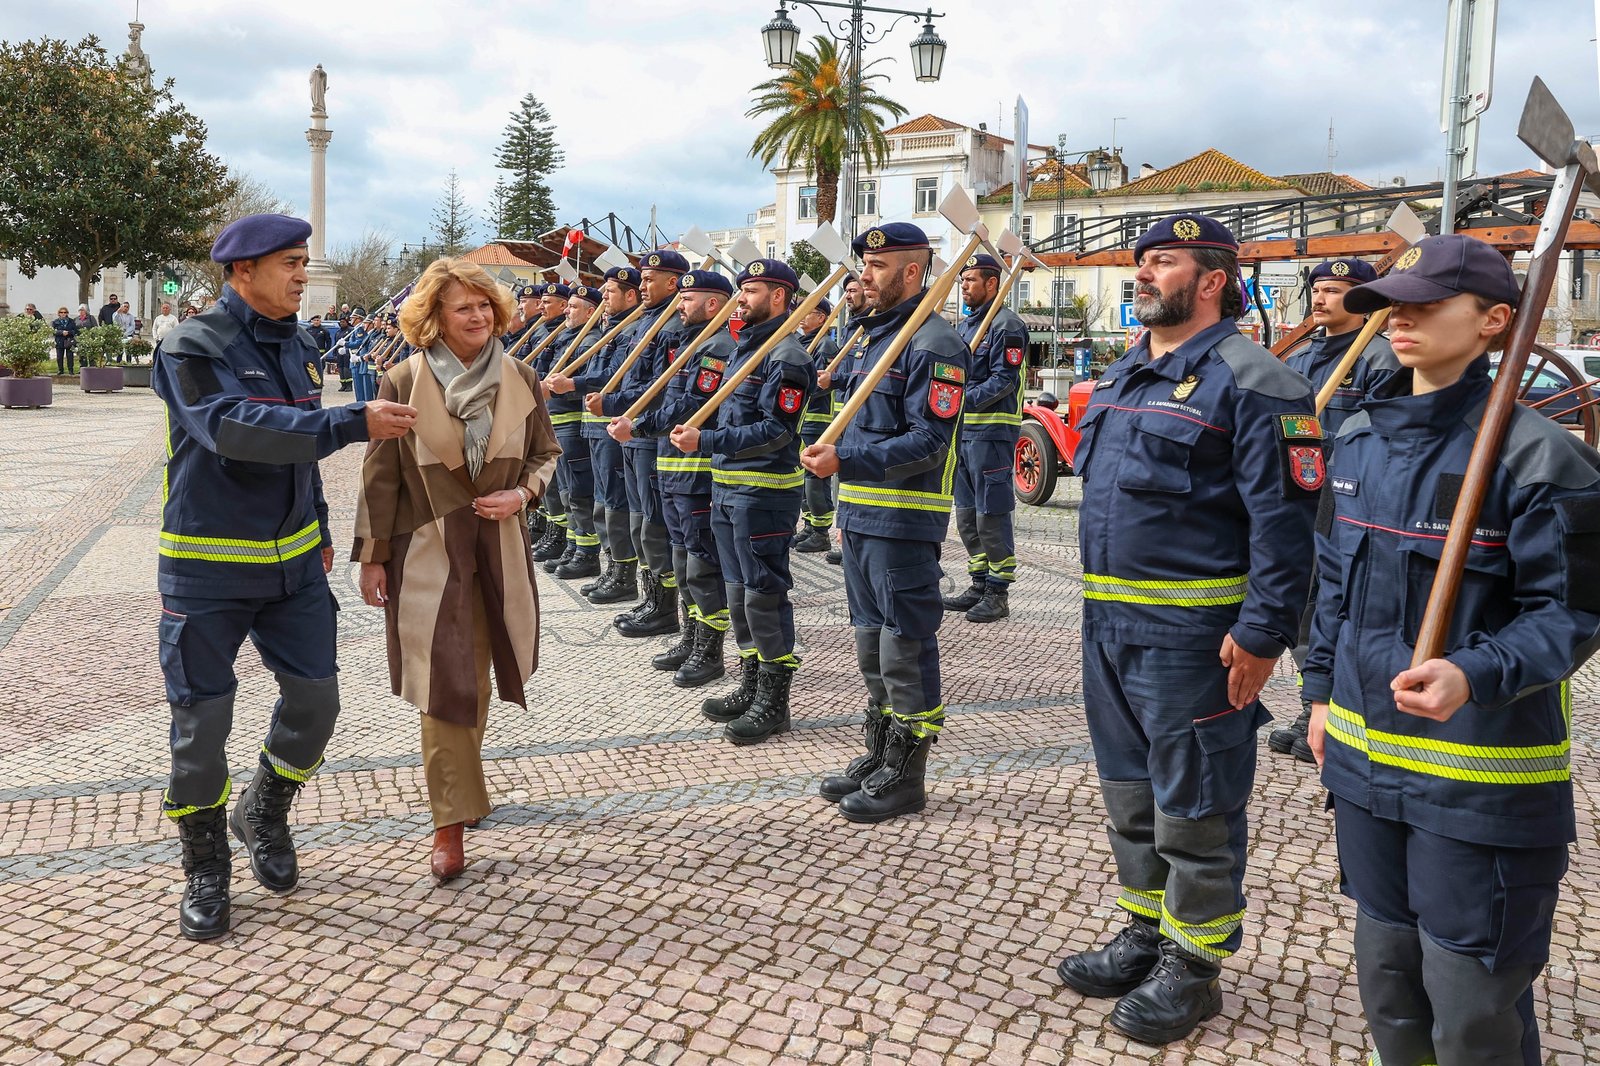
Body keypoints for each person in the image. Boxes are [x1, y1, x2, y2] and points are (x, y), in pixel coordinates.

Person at [1302, 234, 1600, 1066]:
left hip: (1478, 783)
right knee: (1389, 990)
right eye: (1396, 299)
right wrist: (1319, 694)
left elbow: (1571, 615)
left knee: (1472, 1012)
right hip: (1365, 773)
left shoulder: (1541, 457)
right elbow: (1330, 585)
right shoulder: (1356, 438)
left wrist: (1473, 671)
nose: (1401, 315)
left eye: (1428, 302)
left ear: (1495, 320)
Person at [1050, 213, 1320, 1045]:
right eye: (1140, 261)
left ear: (1210, 279)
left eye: (1160, 261)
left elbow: (1288, 526)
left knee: (1195, 806)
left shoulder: (1256, 381)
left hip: (1196, 642)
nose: (1141, 274)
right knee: (1130, 797)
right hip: (1109, 627)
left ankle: (1194, 967)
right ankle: (1145, 933)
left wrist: (1265, 633)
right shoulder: (1130, 371)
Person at [151, 212, 418, 940]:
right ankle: (205, 865)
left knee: (316, 705)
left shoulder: (299, 344)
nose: (304, 274)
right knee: (201, 730)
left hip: (295, 570)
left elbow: (297, 457)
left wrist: (324, 532)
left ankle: (263, 808)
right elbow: (234, 430)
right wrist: (350, 423)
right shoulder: (191, 346)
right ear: (242, 272)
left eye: (304, 261)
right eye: (289, 263)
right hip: (207, 572)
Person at [354, 257, 560, 883]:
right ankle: (450, 822)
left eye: (484, 306)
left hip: (499, 549)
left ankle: (460, 789)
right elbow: (380, 475)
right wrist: (373, 556)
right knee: (446, 681)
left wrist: (522, 496)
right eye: (462, 307)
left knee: (481, 674)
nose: (477, 317)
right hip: (430, 555)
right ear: (434, 318)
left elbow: (546, 456)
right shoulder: (403, 379)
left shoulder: (522, 376)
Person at [800, 223, 966, 823]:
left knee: (904, 647)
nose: (863, 276)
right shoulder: (877, 338)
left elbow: (928, 439)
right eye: (863, 265)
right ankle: (879, 750)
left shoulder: (932, 343)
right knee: (871, 644)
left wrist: (849, 458)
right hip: (863, 515)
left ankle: (907, 772)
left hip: (904, 519)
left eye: (877, 266)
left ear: (913, 273)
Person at [671, 259, 811, 742]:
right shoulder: (744, 349)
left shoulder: (787, 356)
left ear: (778, 296)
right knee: (737, 595)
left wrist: (705, 443)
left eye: (750, 290)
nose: (741, 298)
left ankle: (774, 700)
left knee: (763, 596)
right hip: (729, 485)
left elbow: (776, 430)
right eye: (740, 290)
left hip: (764, 491)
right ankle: (751, 683)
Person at [1268, 257, 1401, 764]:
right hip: (1302, 502)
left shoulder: (1381, 359)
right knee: (1303, 609)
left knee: (1338, 606)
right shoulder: (1300, 359)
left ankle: (1333, 712)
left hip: (1351, 504)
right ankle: (1313, 705)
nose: (1320, 298)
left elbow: (1380, 439)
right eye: (1317, 289)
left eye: (1334, 290)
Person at [613, 269, 735, 687]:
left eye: (687, 299)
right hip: (671, 469)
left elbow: (691, 404)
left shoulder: (718, 346)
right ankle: (689, 633)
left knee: (701, 564)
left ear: (713, 304)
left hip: (697, 474)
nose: (679, 305)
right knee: (682, 560)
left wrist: (640, 426)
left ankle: (709, 648)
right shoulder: (688, 341)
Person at [600, 250, 691, 638]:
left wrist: (620, 408)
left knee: (652, 524)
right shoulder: (647, 321)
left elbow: (659, 390)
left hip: (648, 436)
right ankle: (652, 597)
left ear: (673, 282)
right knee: (640, 521)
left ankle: (665, 607)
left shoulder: (670, 327)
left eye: (650, 279)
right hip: (632, 433)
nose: (642, 286)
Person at [547, 267, 640, 606]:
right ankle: (611, 566)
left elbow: (613, 375)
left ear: (630, 296)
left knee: (613, 500)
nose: (604, 299)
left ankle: (623, 573)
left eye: (610, 293)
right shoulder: (609, 329)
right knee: (600, 497)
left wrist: (574, 384)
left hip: (611, 426)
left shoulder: (632, 330)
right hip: (593, 426)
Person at [945, 252, 1030, 623]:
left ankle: (999, 591)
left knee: (990, 514)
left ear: (992, 283)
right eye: (962, 281)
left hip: (992, 431)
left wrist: (961, 400)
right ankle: (978, 581)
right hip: (963, 432)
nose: (964, 287)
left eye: (970, 281)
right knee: (965, 516)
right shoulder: (965, 328)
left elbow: (1003, 380)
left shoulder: (1007, 326)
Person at [540, 284, 605, 580]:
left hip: (572, 423)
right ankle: (571, 542)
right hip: (556, 421)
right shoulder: (567, 336)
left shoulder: (590, 339)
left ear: (591, 312)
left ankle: (586, 552)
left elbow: (588, 385)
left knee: (578, 491)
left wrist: (556, 391)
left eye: (573, 307)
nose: (567, 310)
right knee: (561, 489)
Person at [823, 275, 868, 566]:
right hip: (845, 414)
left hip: (861, 416)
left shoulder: (872, 326)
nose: (848, 295)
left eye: (853, 290)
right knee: (841, 481)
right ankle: (844, 535)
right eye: (847, 290)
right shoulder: (852, 326)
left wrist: (835, 379)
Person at [795, 298, 840, 553]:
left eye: (808, 313)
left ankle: (822, 530)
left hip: (817, 419)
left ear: (822, 318)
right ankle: (810, 525)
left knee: (815, 477)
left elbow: (822, 385)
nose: (802, 317)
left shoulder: (825, 345)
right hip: (802, 418)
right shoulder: (803, 343)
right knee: (805, 476)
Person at [51, 306, 79, 374]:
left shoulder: (71, 321)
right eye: (61, 312)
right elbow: (53, 331)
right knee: (59, 357)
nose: (63, 314)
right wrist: (61, 332)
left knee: (70, 356)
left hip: (69, 340)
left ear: (67, 313)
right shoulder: (55, 322)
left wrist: (68, 332)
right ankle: (60, 370)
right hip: (59, 340)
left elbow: (75, 331)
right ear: (59, 313)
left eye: (65, 312)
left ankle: (70, 370)